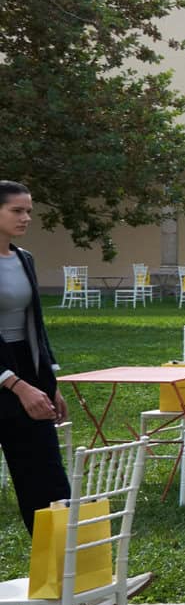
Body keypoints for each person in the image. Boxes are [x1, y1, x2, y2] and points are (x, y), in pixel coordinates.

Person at [0, 181, 71, 532]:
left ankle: (65, 574)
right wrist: (15, 385)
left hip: (26, 369)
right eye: (17, 210)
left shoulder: (24, 259)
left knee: (48, 482)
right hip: (7, 376)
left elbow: (35, 326)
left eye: (29, 210)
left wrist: (48, 382)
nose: (26, 217)